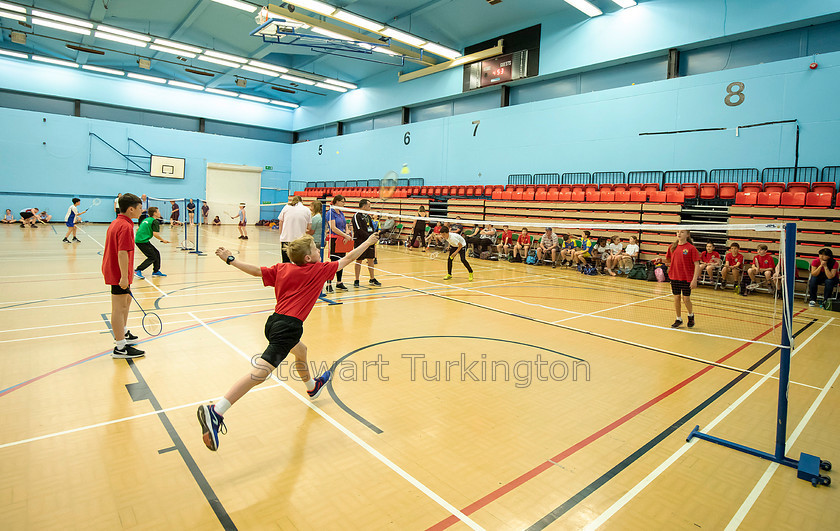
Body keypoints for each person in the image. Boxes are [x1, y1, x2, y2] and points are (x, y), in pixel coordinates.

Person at [196, 231, 380, 452]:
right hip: (288, 329)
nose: (317, 250)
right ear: (309, 258)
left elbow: (256, 271)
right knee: (260, 373)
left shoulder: (282, 268)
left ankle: (312, 387)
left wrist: (230, 259)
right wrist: (368, 242)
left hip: (273, 323)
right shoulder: (318, 270)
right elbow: (349, 258)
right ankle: (217, 410)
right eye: (315, 248)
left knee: (301, 351)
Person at [103, 193, 145, 359]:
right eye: (140, 208)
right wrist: (123, 277)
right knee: (118, 308)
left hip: (116, 270)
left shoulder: (117, 222)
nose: (142, 211)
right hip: (118, 272)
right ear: (131, 209)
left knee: (126, 301)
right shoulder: (126, 227)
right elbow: (122, 253)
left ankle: (124, 332)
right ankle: (120, 347)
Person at [665, 230, 702, 328]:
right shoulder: (672, 247)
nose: (679, 234)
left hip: (686, 278)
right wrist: (660, 260)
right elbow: (668, 260)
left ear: (687, 234)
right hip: (674, 276)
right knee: (676, 298)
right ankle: (678, 319)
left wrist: (694, 280)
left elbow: (697, 265)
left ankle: (691, 316)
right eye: (678, 232)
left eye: (682, 232)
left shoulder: (691, 248)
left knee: (686, 299)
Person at [325, 195, 352, 292]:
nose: (343, 203)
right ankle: (328, 284)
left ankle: (339, 282)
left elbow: (345, 224)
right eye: (342, 201)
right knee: (334, 262)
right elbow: (333, 227)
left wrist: (347, 231)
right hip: (334, 239)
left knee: (341, 261)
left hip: (342, 240)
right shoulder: (330, 212)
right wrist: (345, 235)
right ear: (336, 201)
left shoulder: (341, 213)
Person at [134, 206, 170, 279]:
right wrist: (163, 240)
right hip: (142, 241)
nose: (159, 213)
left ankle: (156, 271)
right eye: (158, 211)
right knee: (152, 257)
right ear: (155, 213)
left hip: (141, 240)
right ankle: (138, 270)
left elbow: (138, 229)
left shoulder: (147, 219)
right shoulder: (154, 221)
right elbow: (155, 234)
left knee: (156, 253)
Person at [352, 199, 381, 287]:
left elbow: (371, 227)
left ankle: (372, 278)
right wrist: (368, 237)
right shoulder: (356, 216)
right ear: (364, 206)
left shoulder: (368, 216)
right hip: (360, 241)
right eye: (369, 206)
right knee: (359, 260)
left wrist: (374, 235)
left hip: (370, 241)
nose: (370, 207)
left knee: (371, 259)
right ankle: (356, 280)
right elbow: (358, 229)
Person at [278, 196, 312, 260]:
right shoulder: (307, 210)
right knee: (299, 261)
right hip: (300, 240)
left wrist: (281, 235)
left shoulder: (286, 207)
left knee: (286, 262)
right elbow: (309, 227)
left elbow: (280, 222)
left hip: (286, 239)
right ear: (302, 202)